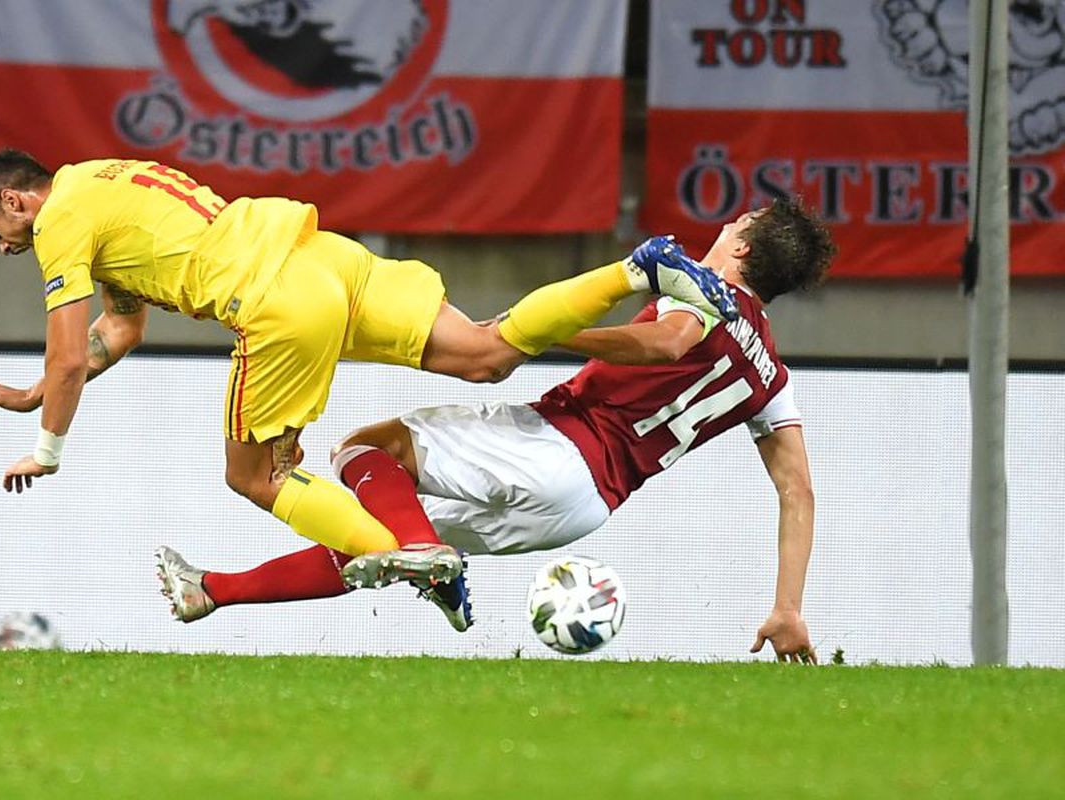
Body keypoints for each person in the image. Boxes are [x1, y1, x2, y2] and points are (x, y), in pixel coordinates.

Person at [0, 149, 738, 589]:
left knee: (254, 476)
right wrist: (32, 394)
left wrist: (49, 447)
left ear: (17, 200)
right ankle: (637, 269)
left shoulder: (58, 221)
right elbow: (117, 329)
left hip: (272, 299)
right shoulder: (104, 181)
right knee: (485, 354)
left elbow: (68, 350)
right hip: (320, 257)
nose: (4, 247)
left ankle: (402, 555)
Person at [156, 197, 836, 663]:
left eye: (737, 222)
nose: (725, 227)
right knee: (383, 545)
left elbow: (669, 343)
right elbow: (797, 490)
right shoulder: (771, 371)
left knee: (368, 450)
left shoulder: (706, 300)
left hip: (557, 443)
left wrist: (548, 330)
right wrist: (788, 608)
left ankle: (424, 552)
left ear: (741, 243)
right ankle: (212, 591)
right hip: (585, 506)